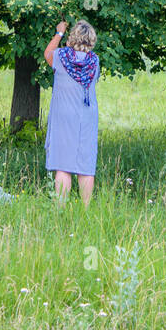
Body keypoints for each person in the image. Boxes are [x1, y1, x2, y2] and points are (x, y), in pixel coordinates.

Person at [44, 18, 100, 205]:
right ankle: (85, 210)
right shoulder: (95, 62)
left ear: (72, 38)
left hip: (63, 116)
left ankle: (60, 208)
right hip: (87, 117)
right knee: (86, 166)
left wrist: (59, 32)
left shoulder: (61, 57)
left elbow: (47, 53)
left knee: (63, 165)